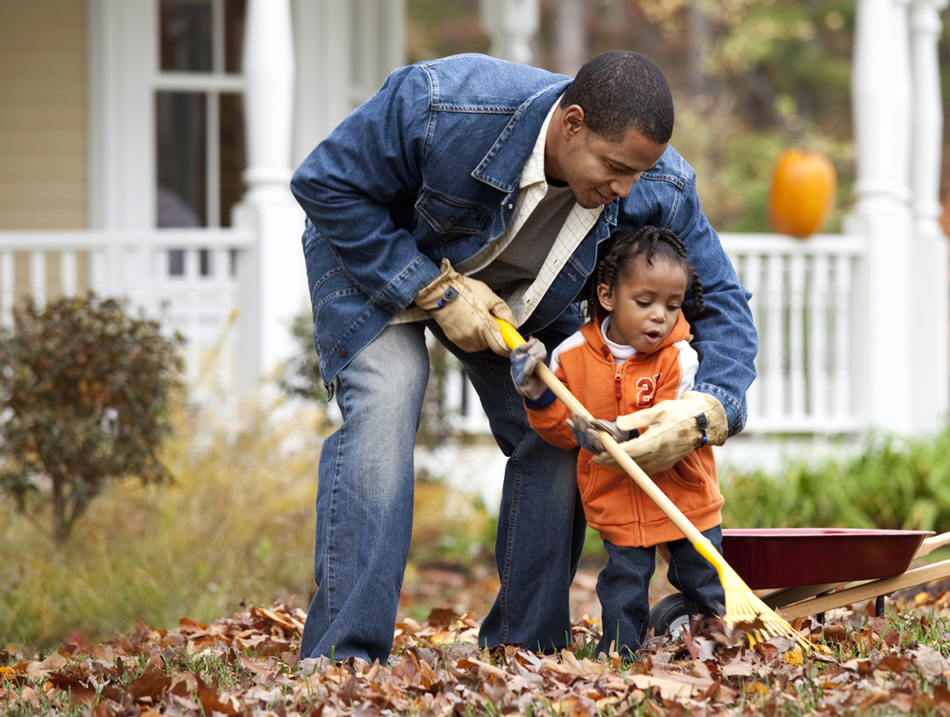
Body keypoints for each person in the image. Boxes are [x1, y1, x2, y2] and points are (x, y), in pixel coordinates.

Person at [290, 50, 757, 664]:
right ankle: (344, 656)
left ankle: (523, 646)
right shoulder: (441, 102)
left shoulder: (659, 184)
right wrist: (428, 286)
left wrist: (711, 409)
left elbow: (720, 296)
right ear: (572, 124)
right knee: (389, 397)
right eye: (615, 167)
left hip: (522, 301)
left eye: (637, 173)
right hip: (374, 258)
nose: (625, 189)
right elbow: (324, 181)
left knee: (566, 428)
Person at [509, 227, 725, 658]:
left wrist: (621, 432)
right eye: (644, 302)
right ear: (607, 296)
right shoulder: (570, 356)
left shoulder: (678, 356)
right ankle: (620, 653)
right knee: (623, 584)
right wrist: (537, 393)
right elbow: (559, 431)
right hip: (618, 501)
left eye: (672, 305)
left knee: (703, 577)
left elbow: (665, 424)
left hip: (683, 495)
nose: (659, 316)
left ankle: (716, 649)